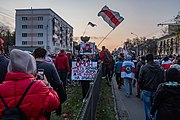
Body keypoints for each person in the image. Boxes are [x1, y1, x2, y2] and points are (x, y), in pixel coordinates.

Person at [0, 49, 60, 119]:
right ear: (31, 66)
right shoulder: (39, 86)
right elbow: (54, 104)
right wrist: (47, 86)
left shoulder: (1, 88)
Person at [33, 47, 66, 119]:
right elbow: (58, 81)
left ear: (34, 55)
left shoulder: (29, 66)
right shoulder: (50, 66)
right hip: (46, 94)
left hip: (31, 95)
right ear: (45, 55)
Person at [138, 53, 164, 120]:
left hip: (146, 89)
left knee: (147, 107)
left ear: (146, 59)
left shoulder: (144, 67)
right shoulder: (160, 68)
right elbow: (162, 79)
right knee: (155, 107)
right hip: (156, 90)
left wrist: (141, 87)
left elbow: (140, 79)